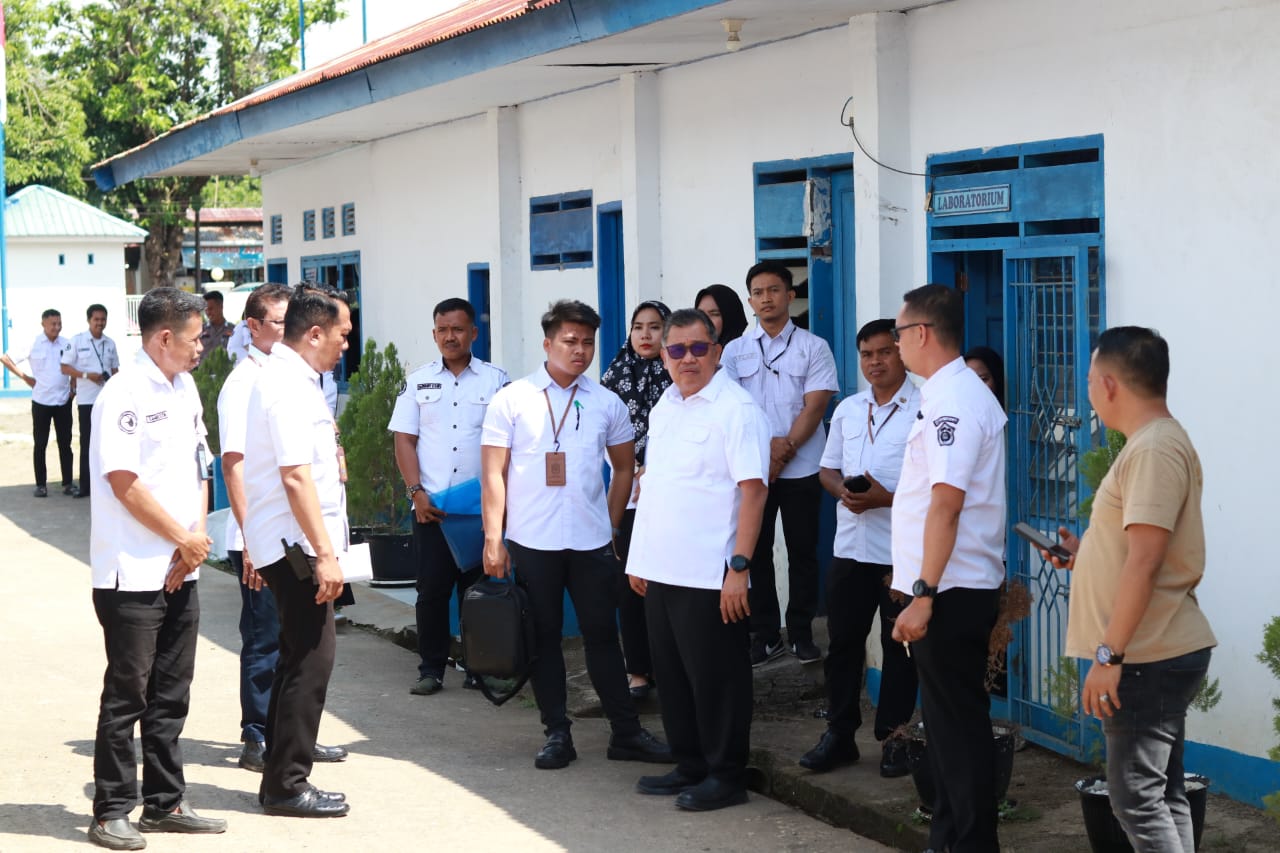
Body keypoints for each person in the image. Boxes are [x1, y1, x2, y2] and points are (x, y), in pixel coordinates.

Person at [480, 299, 671, 770]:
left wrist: (609, 523)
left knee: (603, 637)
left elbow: (625, 467)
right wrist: (493, 538)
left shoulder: (607, 401)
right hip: (531, 539)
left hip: (591, 543)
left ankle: (625, 733)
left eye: (587, 342)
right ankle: (557, 734)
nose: (580, 350)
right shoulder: (513, 399)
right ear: (547, 343)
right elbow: (493, 474)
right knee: (544, 639)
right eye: (570, 341)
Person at [1054, 326, 1215, 853]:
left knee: (1136, 800)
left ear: (1109, 385)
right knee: (1162, 795)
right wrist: (1087, 556)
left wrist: (1109, 653)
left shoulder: (1153, 449)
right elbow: (1137, 551)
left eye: (1088, 381)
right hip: (1150, 649)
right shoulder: (1150, 446)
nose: (1088, 393)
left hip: (1147, 653)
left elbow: (1146, 561)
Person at [86, 287, 226, 849]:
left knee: (172, 693)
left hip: (178, 566)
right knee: (128, 696)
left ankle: (164, 801)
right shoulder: (122, 393)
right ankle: (111, 808)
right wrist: (182, 541)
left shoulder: (185, 386)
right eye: (196, 338)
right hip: (132, 572)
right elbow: (124, 483)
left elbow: (199, 466)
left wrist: (192, 542)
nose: (202, 347)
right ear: (164, 337)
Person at [625, 308, 769, 811]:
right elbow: (655, 486)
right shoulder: (666, 404)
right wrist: (639, 558)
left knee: (717, 680)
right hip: (662, 568)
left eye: (698, 348)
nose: (688, 359)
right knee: (675, 676)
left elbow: (753, 492)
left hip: (712, 573)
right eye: (677, 350)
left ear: (718, 351)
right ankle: (690, 763)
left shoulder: (737, 409)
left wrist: (739, 567)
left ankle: (725, 774)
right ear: (664, 356)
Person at [889, 284, 1007, 853]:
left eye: (897, 333)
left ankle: (973, 843)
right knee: (945, 729)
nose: (895, 345)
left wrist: (924, 593)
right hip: (942, 587)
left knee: (957, 731)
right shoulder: (942, 395)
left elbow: (947, 502)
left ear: (921, 334)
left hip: (950, 591)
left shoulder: (956, 400)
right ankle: (950, 840)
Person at [242, 285, 353, 818]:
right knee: (312, 659)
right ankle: (289, 784)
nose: (345, 345)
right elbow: (294, 476)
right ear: (314, 333)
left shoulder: (299, 380)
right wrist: (325, 554)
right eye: (342, 334)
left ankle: (280, 779)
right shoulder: (286, 384)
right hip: (296, 548)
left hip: (295, 543)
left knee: (298, 657)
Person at [800, 319, 921, 777]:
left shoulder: (924, 407)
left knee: (898, 648)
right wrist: (844, 494)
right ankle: (839, 733)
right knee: (844, 644)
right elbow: (827, 469)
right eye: (867, 355)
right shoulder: (849, 409)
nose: (875, 362)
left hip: (899, 551)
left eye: (884, 352)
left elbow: (934, 490)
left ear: (901, 352)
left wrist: (884, 498)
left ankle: (895, 737)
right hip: (850, 547)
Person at [721, 260, 839, 666]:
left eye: (774, 290)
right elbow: (733, 409)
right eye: (758, 292)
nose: (766, 298)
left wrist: (783, 448)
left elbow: (816, 403)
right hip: (753, 470)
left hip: (803, 465)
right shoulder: (734, 352)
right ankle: (764, 633)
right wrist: (764, 456)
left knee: (803, 550)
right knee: (755, 550)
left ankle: (802, 632)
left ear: (790, 295)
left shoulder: (813, 347)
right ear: (750, 300)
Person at [390, 297, 510, 696]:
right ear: (434, 334)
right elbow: (404, 440)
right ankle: (432, 668)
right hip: (432, 506)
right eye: (442, 330)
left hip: (479, 509)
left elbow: (511, 443)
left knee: (479, 590)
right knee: (432, 590)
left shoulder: (497, 381)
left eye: (457, 329)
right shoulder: (418, 381)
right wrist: (416, 493)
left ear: (474, 333)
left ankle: (479, 666)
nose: (450, 337)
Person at [600, 299, 672, 700]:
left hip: (670, 495)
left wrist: (655, 467)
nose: (645, 335)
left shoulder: (681, 374)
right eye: (638, 327)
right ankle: (638, 672)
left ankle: (667, 666)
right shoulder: (613, 376)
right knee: (629, 584)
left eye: (655, 326)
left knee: (664, 585)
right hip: (627, 496)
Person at [1, 309, 75, 497]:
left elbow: (75, 366)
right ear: (43, 324)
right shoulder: (33, 344)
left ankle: (67, 483)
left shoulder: (67, 344)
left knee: (65, 443)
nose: (56, 327)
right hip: (41, 401)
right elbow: (5, 358)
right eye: (53, 324)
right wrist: (26, 378)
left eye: (59, 323)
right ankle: (41, 485)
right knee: (40, 443)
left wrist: (73, 390)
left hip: (63, 401)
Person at [62, 304, 120, 498]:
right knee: (87, 442)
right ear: (89, 320)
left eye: (103, 319)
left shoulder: (110, 343)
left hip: (107, 400)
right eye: (96, 319)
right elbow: (65, 368)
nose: (100, 323)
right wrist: (87, 375)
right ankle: (85, 486)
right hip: (87, 401)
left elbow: (115, 372)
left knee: (108, 443)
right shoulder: (77, 341)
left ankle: (107, 486)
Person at [197, 290, 235, 364]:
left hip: (226, 373)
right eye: (206, 310)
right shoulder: (200, 330)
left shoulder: (233, 330)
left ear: (221, 307)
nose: (208, 313)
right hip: (204, 373)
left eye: (211, 309)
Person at [964, 345, 1005, 410]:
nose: (976, 386)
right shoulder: (957, 412)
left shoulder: (1013, 415)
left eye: (983, 379)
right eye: (970, 380)